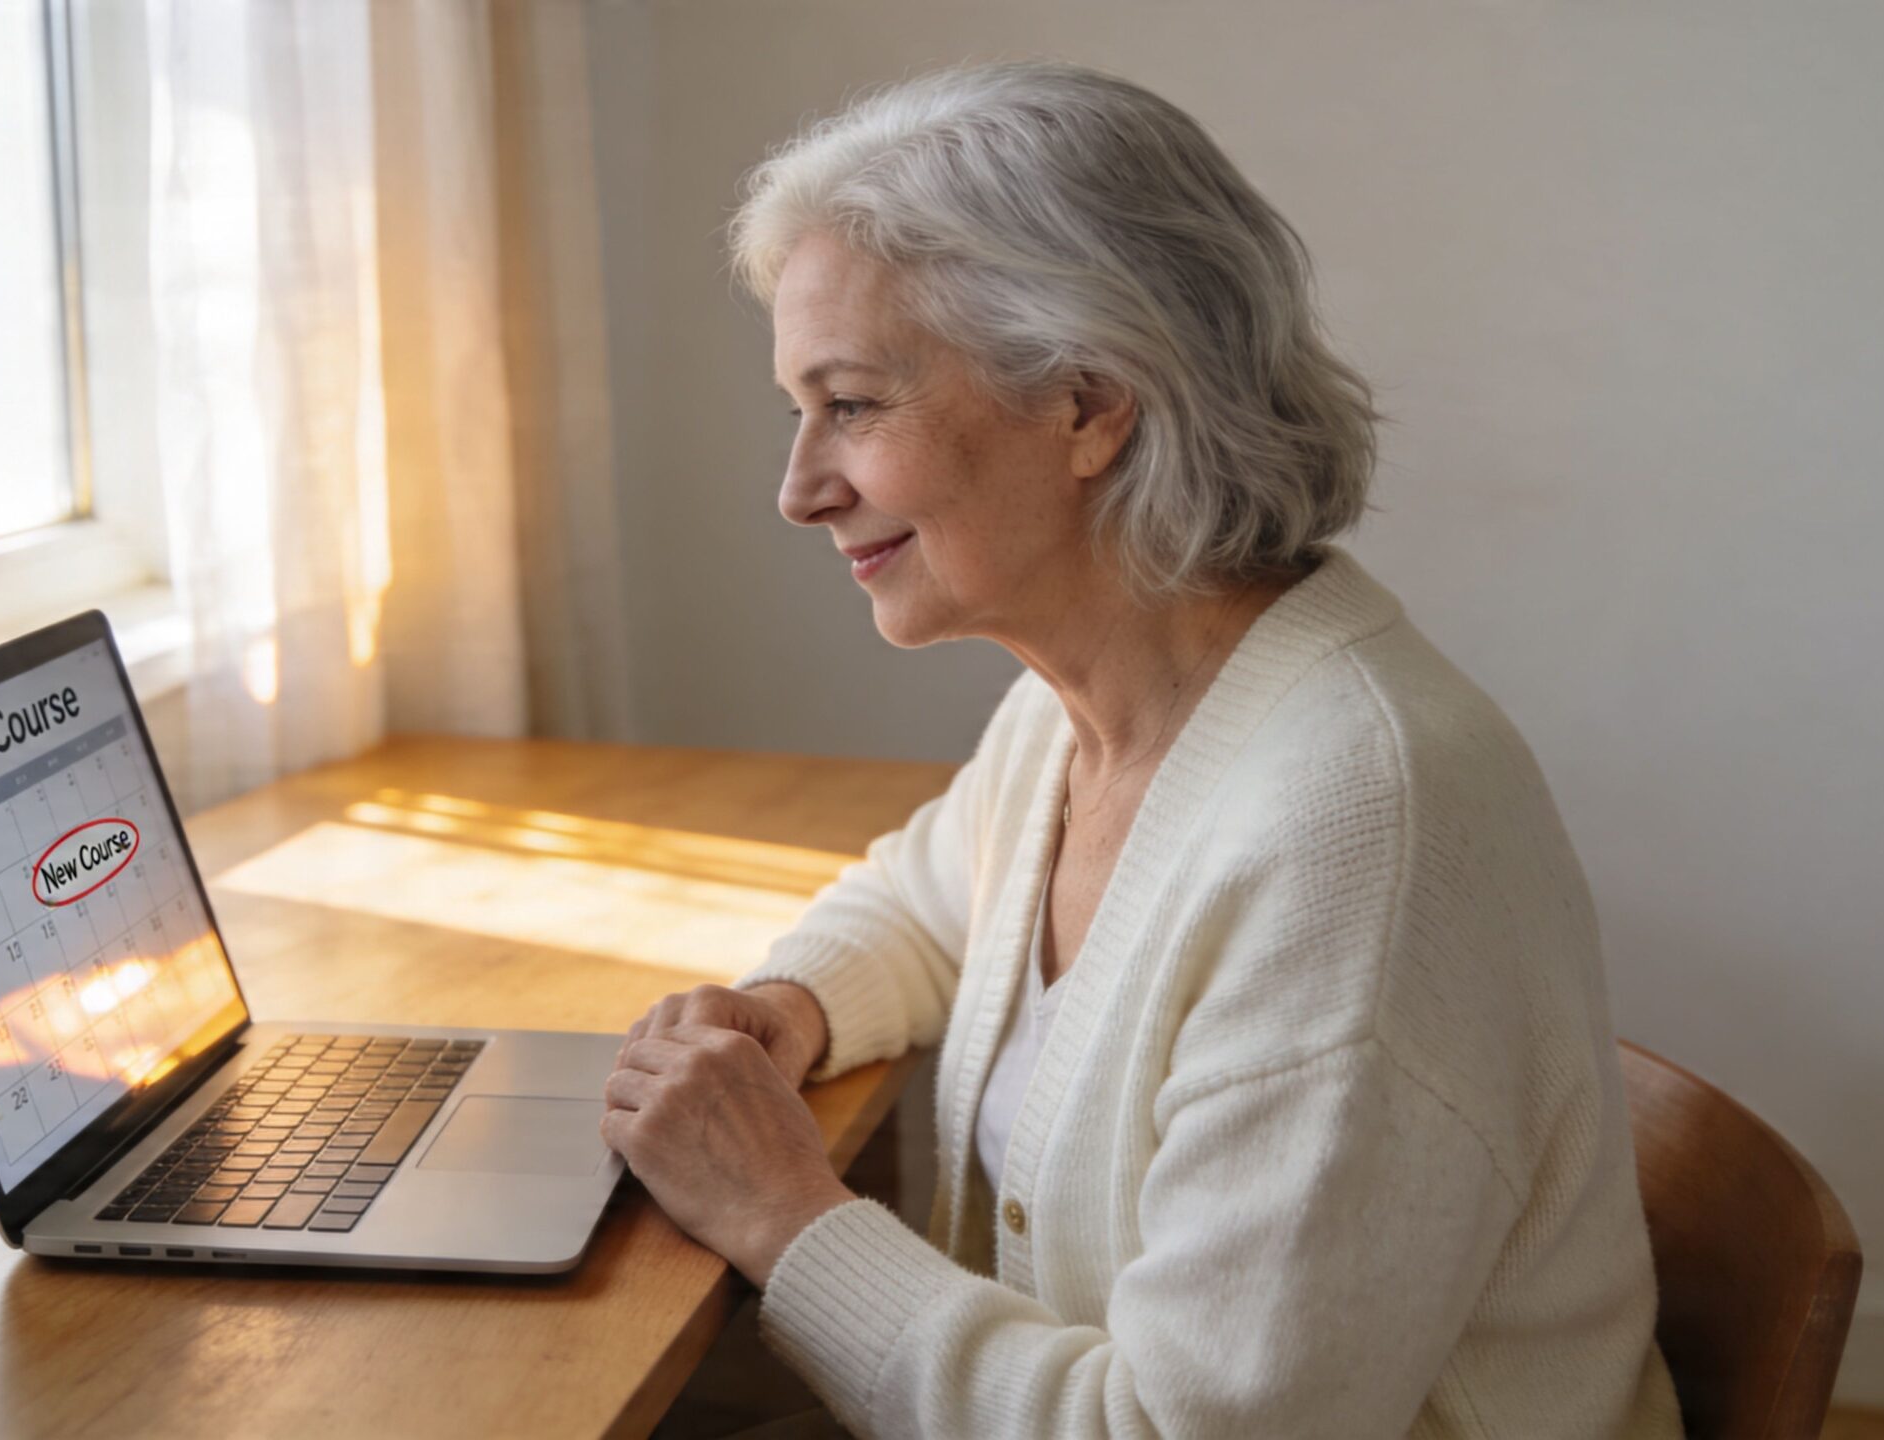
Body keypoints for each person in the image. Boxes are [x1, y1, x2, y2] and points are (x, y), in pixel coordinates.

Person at [599, 60, 1686, 1438]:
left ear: (1089, 404)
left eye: (856, 405)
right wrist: (791, 1006)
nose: (800, 488)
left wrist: (787, 1218)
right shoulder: (1093, 700)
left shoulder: (1355, 830)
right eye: (797, 410)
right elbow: (932, 900)